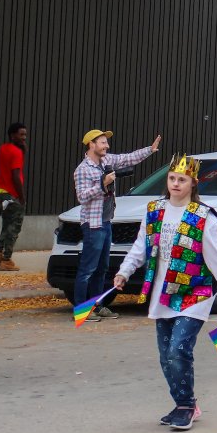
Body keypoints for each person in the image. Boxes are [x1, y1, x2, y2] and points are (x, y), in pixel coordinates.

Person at [114, 155, 217, 430]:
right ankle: (182, 402)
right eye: (172, 178)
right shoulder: (154, 210)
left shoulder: (202, 216)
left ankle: (186, 405)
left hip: (194, 292)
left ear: (193, 184)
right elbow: (141, 246)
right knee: (165, 355)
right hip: (163, 293)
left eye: (182, 180)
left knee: (178, 349)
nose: (175, 183)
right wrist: (124, 271)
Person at [73, 128, 161, 319]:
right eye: (103, 142)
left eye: (106, 142)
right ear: (91, 145)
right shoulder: (83, 169)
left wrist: (149, 150)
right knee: (87, 269)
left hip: (106, 223)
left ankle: (98, 306)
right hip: (92, 224)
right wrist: (102, 184)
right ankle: (81, 311)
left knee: (102, 268)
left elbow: (127, 158)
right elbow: (82, 197)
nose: (107, 146)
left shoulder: (106, 161)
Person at [0, 123, 28, 271]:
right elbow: (16, 175)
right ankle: (6, 260)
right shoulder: (16, 152)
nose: (24, 137)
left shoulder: (3, 148)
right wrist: (21, 196)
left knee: (7, 224)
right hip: (12, 193)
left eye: (25, 134)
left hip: (1, 191)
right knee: (15, 227)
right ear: (12, 135)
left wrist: (22, 150)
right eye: (21, 134)